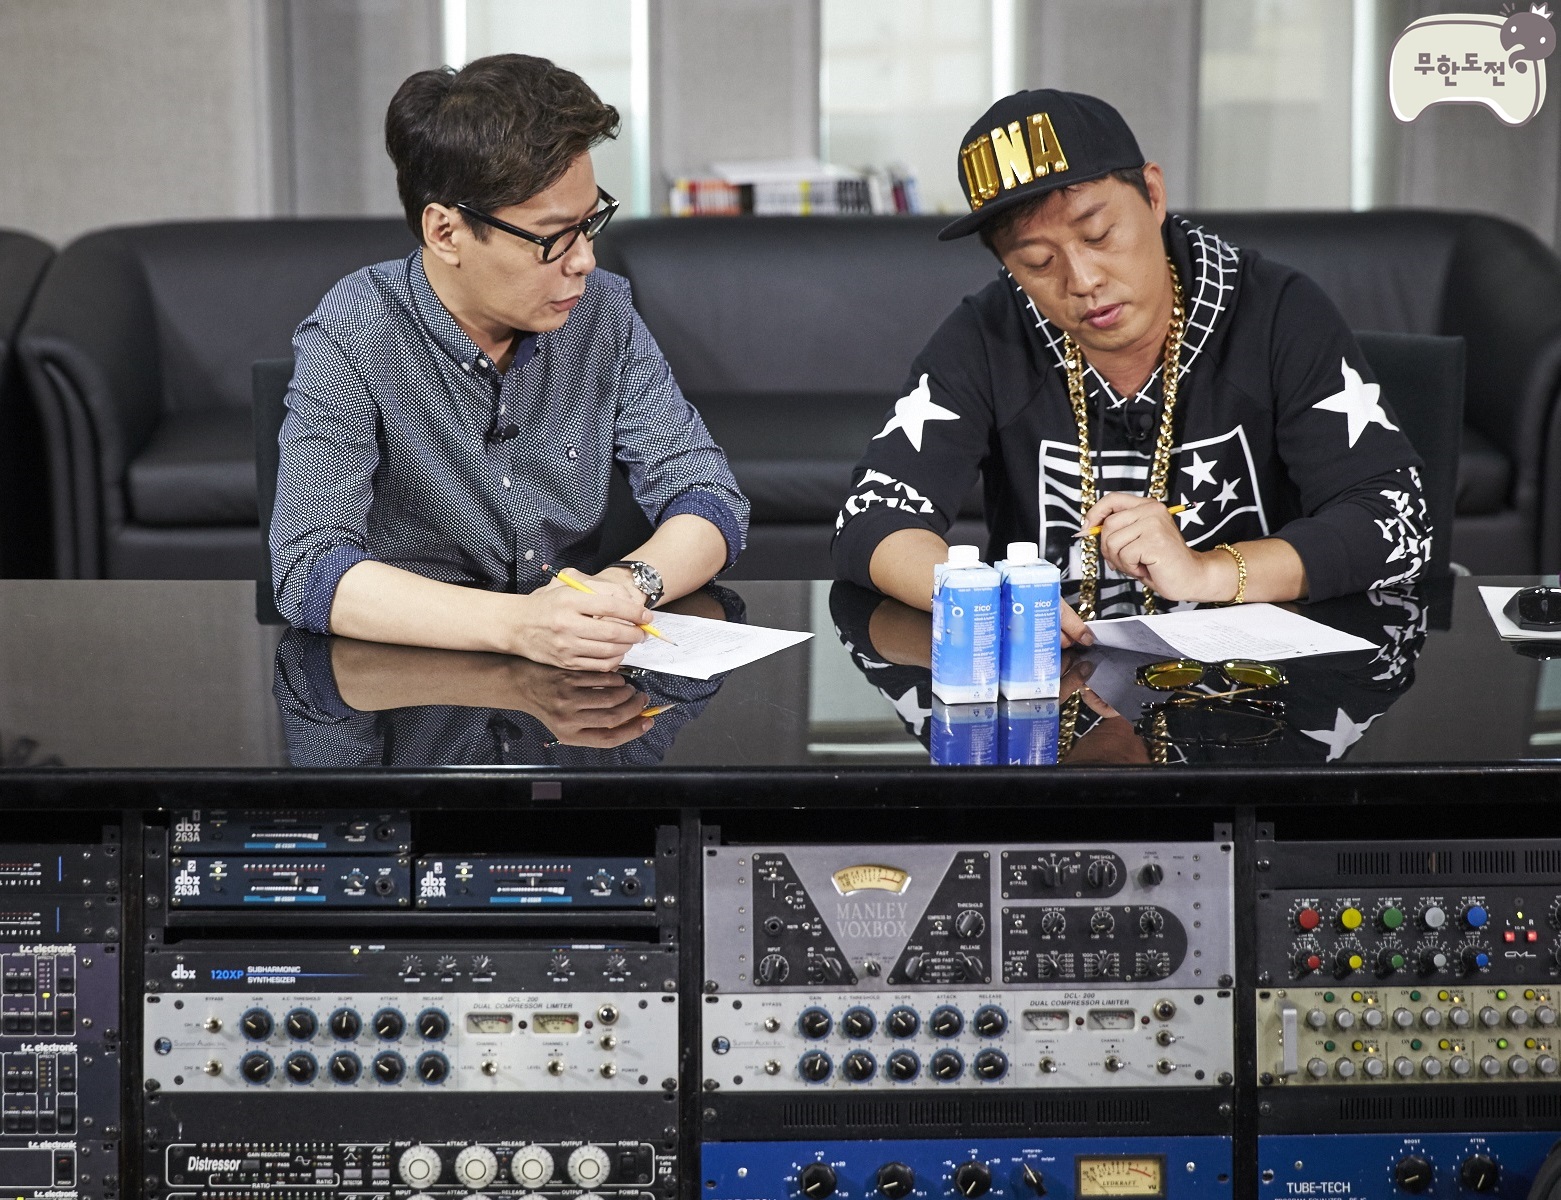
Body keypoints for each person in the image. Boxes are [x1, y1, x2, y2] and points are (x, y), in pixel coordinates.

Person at [832, 90, 1430, 643]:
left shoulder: (1275, 313)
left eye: (1099, 234)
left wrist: (1209, 571)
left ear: (1153, 194)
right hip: (1056, 691)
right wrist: (987, 599)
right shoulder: (989, 335)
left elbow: (1397, 520)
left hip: (1256, 693)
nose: (1082, 280)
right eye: (1037, 262)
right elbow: (870, 519)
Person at [271, 54, 748, 670]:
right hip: (418, 677)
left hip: (576, 671)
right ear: (446, 233)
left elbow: (708, 496)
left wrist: (625, 586)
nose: (583, 261)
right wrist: (520, 625)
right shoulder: (358, 328)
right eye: (553, 237)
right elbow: (309, 569)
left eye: (591, 223)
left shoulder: (602, 311)